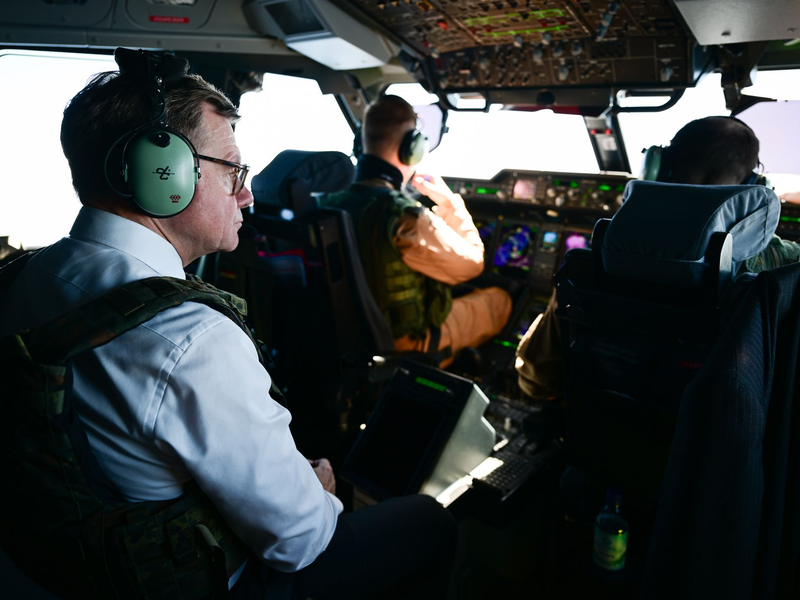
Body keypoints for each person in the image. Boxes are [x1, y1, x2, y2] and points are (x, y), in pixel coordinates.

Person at [0, 49, 454, 600]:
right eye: (234, 170)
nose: (247, 193)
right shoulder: (189, 339)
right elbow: (300, 541)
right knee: (428, 522)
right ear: (160, 175)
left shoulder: (23, 276)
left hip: (54, 565)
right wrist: (319, 492)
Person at [515, 115, 800, 400]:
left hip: (601, 431)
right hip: (719, 438)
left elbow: (535, 379)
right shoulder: (782, 268)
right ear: (755, 183)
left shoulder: (588, 265)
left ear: (659, 166)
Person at [321, 95, 512, 366]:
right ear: (414, 149)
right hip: (400, 344)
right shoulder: (403, 216)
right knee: (499, 300)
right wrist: (448, 201)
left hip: (340, 336)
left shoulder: (327, 202)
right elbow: (472, 266)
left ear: (360, 143)